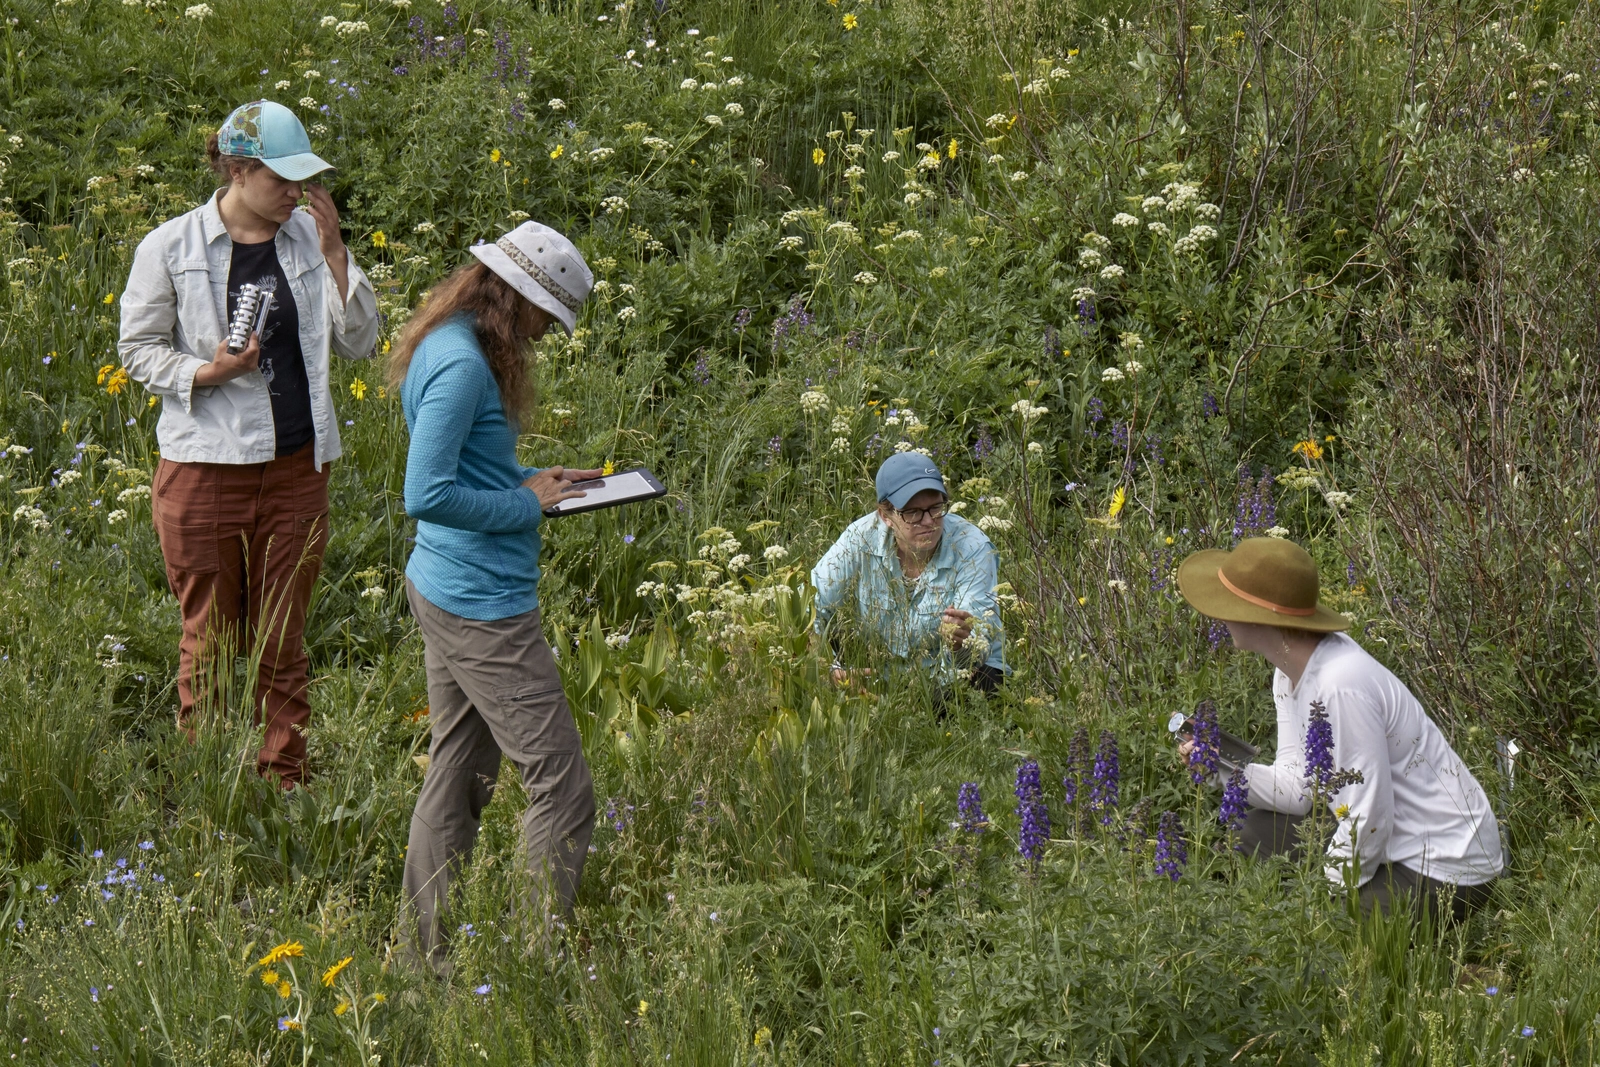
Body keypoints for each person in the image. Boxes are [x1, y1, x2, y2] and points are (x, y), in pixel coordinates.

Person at [119, 100, 379, 785]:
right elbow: (137, 351)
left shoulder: (306, 242)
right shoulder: (171, 246)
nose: (298, 192)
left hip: (297, 470)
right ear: (237, 169)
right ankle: (209, 785)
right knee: (210, 638)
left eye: (303, 179)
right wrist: (207, 372)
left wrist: (336, 254)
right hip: (204, 469)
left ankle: (282, 782)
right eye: (282, 179)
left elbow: (361, 341)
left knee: (283, 639)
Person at [388, 221, 599, 972]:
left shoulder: (453, 339)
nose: (543, 334)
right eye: (546, 316)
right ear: (515, 297)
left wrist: (531, 481)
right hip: (481, 604)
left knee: (459, 777)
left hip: (451, 585)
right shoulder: (463, 365)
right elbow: (427, 492)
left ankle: (422, 964)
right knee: (565, 792)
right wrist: (527, 505)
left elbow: (465, 471)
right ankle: (535, 971)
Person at [1175, 536, 1503, 920]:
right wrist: (1220, 768)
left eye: (1227, 606)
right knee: (1252, 830)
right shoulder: (1288, 672)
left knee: (1334, 937)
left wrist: (1321, 899)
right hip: (1391, 839)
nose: (1218, 615)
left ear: (1258, 617)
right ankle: (1213, 917)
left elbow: (1369, 814)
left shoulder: (1340, 684)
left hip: (1447, 866)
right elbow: (1299, 788)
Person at [811, 453, 1006, 693]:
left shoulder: (972, 546)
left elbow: (979, 646)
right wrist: (828, 671)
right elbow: (810, 609)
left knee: (984, 686)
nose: (928, 521)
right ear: (886, 516)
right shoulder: (859, 538)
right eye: (912, 512)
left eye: (935, 508)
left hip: (953, 677)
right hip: (877, 672)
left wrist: (962, 642)